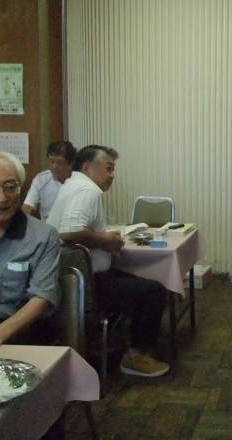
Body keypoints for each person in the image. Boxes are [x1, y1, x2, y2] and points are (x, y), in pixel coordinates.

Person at [46, 145, 169, 377]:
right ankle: (135, 357)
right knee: (153, 291)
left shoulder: (71, 186)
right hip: (85, 285)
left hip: (66, 280)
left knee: (140, 283)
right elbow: (69, 232)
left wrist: (104, 240)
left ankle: (121, 341)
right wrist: (105, 239)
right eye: (108, 168)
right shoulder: (87, 189)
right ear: (86, 167)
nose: (112, 175)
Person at [0, 152, 60, 350]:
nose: (2, 197)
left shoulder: (43, 236)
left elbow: (42, 297)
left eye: (10, 187)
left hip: (20, 335)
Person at [22, 140, 77, 221]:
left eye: (59, 163)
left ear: (70, 163)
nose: (54, 167)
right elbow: (28, 206)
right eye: (51, 161)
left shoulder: (79, 181)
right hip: (47, 227)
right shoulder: (41, 179)